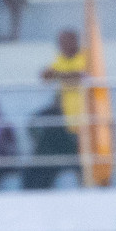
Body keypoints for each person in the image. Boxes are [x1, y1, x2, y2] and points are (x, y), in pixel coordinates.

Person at [25, 29, 86, 190]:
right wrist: (61, 75)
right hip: (64, 123)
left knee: (83, 163)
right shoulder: (60, 59)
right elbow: (45, 76)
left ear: (75, 41)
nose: (61, 46)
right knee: (43, 156)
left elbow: (78, 77)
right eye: (60, 42)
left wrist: (60, 75)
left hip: (83, 124)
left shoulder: (86, 57)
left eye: (65, 41)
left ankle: (88, 191)